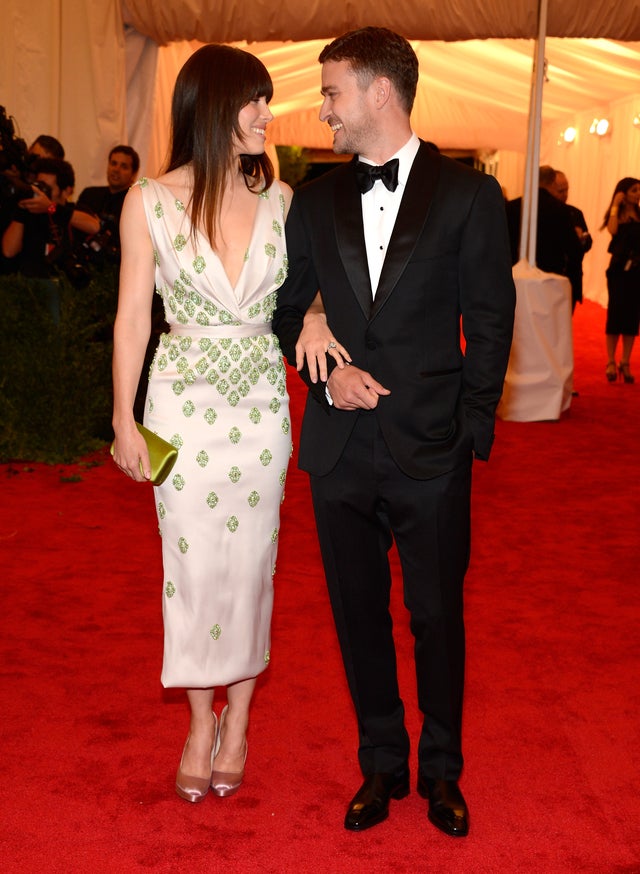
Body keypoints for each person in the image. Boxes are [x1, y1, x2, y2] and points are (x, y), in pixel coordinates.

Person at [273, 27, 515, 838]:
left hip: (431, 450)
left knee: (437, 615)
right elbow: (286, 309)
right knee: (357, 615)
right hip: (339, 448)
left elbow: (488, 319)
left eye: (333, 90)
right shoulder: (313, 200)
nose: (324, 108)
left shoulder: (470, 196)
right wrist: (320, 366)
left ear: (381, 91)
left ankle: (442, 771)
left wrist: (469, 431)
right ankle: (381, 764)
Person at [111, 44, 332, 804]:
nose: (268, 114)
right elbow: (133, 318)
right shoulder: (147, 200)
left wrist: (311, 317)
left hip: (262, 408)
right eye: (255, 101)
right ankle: (199, 724)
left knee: (251, 571)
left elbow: (306, 294)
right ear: (211, 106)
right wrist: (123, 415)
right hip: (181, 406)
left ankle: (239, 722)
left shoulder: (284, 199)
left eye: (268, 100)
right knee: (194, 571)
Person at [505, 165, 584, 308]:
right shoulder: (561, 210)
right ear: (553, 182)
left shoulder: (512, 207)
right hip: (550, 280)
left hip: (516, 279)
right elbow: (574, 251)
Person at [1, 157, 75, 278]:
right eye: (39, 187)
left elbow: (93, 226)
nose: (42, 193)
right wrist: (22, 210)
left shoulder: (73, 211)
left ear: (67, 191)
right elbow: (8, 251)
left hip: (67, 289)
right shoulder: (30, 213)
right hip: (33, 287)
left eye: (47, 189)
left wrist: (51, 208)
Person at [601, 177, 640, 383]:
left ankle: (625, 361)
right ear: (624, 193)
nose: (638, 194)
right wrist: (616, 204)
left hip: (636, 272)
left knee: (632, 316)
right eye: (634, 191)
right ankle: (610, 360)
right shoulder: (616, 214)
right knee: (615, 313)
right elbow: (613, 230)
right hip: (618, 271)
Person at [73, 145, 140, 262]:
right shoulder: (89, 194)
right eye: (113, 163)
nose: (116, 169)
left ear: (133, 174)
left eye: (124, 166)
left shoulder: (137, 202)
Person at [547, 168, 592, 312]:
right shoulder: (542, 213)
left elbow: (588, 242)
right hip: (549, 278)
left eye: (567, 190)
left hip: (571, 277)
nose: (565, 195)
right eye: (560, 191)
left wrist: (581, 239)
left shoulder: (575, 213)